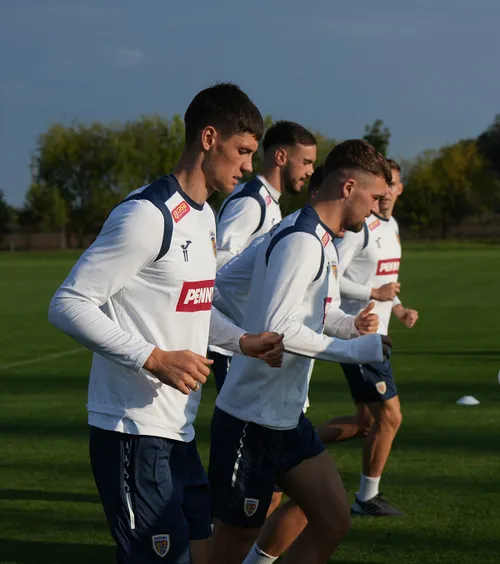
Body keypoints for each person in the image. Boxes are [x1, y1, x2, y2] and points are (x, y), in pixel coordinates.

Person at [48, 82, 285, 564]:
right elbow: (68, 303)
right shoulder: (146, 215)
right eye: (241, 152)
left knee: (200, 554)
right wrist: (153, 359)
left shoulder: (203, 218)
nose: (247, 166)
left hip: (178, 430)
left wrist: (241, 340)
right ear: (207, 138)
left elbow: (192, 308)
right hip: (131, 430)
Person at [208, 139, 393, 564]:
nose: (377, 209)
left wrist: (351, 327)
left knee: (332, 519)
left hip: (286, 418)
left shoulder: (322, 240)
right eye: (375, 198)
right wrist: (356, 350)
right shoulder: (301, 240)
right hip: (250, 422)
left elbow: (314, 313)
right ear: (348, 188)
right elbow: (280, 327)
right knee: (230, 548)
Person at [316, 158, 419, 517]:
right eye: (382, 183)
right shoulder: (361, 228)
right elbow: (333, 274)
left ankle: (290, 449)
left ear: (399, 189)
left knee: (365, 423)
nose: (387, 190)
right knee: (391, 417)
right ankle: (365, 498)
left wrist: (400, 307)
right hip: (358, 335)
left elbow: (386, 279)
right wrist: (375, 292)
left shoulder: (392, 228)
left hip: (379, 334)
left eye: (393, 184)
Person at [209, 120, 317, 393]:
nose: (311, 171)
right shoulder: (251, 202)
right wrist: (253, 326)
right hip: (235, 342)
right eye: (305, 161)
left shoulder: (270, 203)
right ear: (281, 157)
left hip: (249, 340)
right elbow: (217, 273)